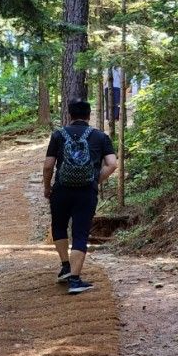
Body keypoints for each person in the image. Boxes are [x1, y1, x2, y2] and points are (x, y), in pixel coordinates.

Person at [43, 99, 117, 294]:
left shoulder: (58, 135)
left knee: (58, 227)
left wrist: (47, 188)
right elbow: (112, 164)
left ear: (70, 115)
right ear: (88, 115)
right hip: (86, 192)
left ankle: (65, 266)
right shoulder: (100, 137)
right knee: (80, 233)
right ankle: (75, 280)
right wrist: (95, 180)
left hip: (61, 189)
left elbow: (48, 166)